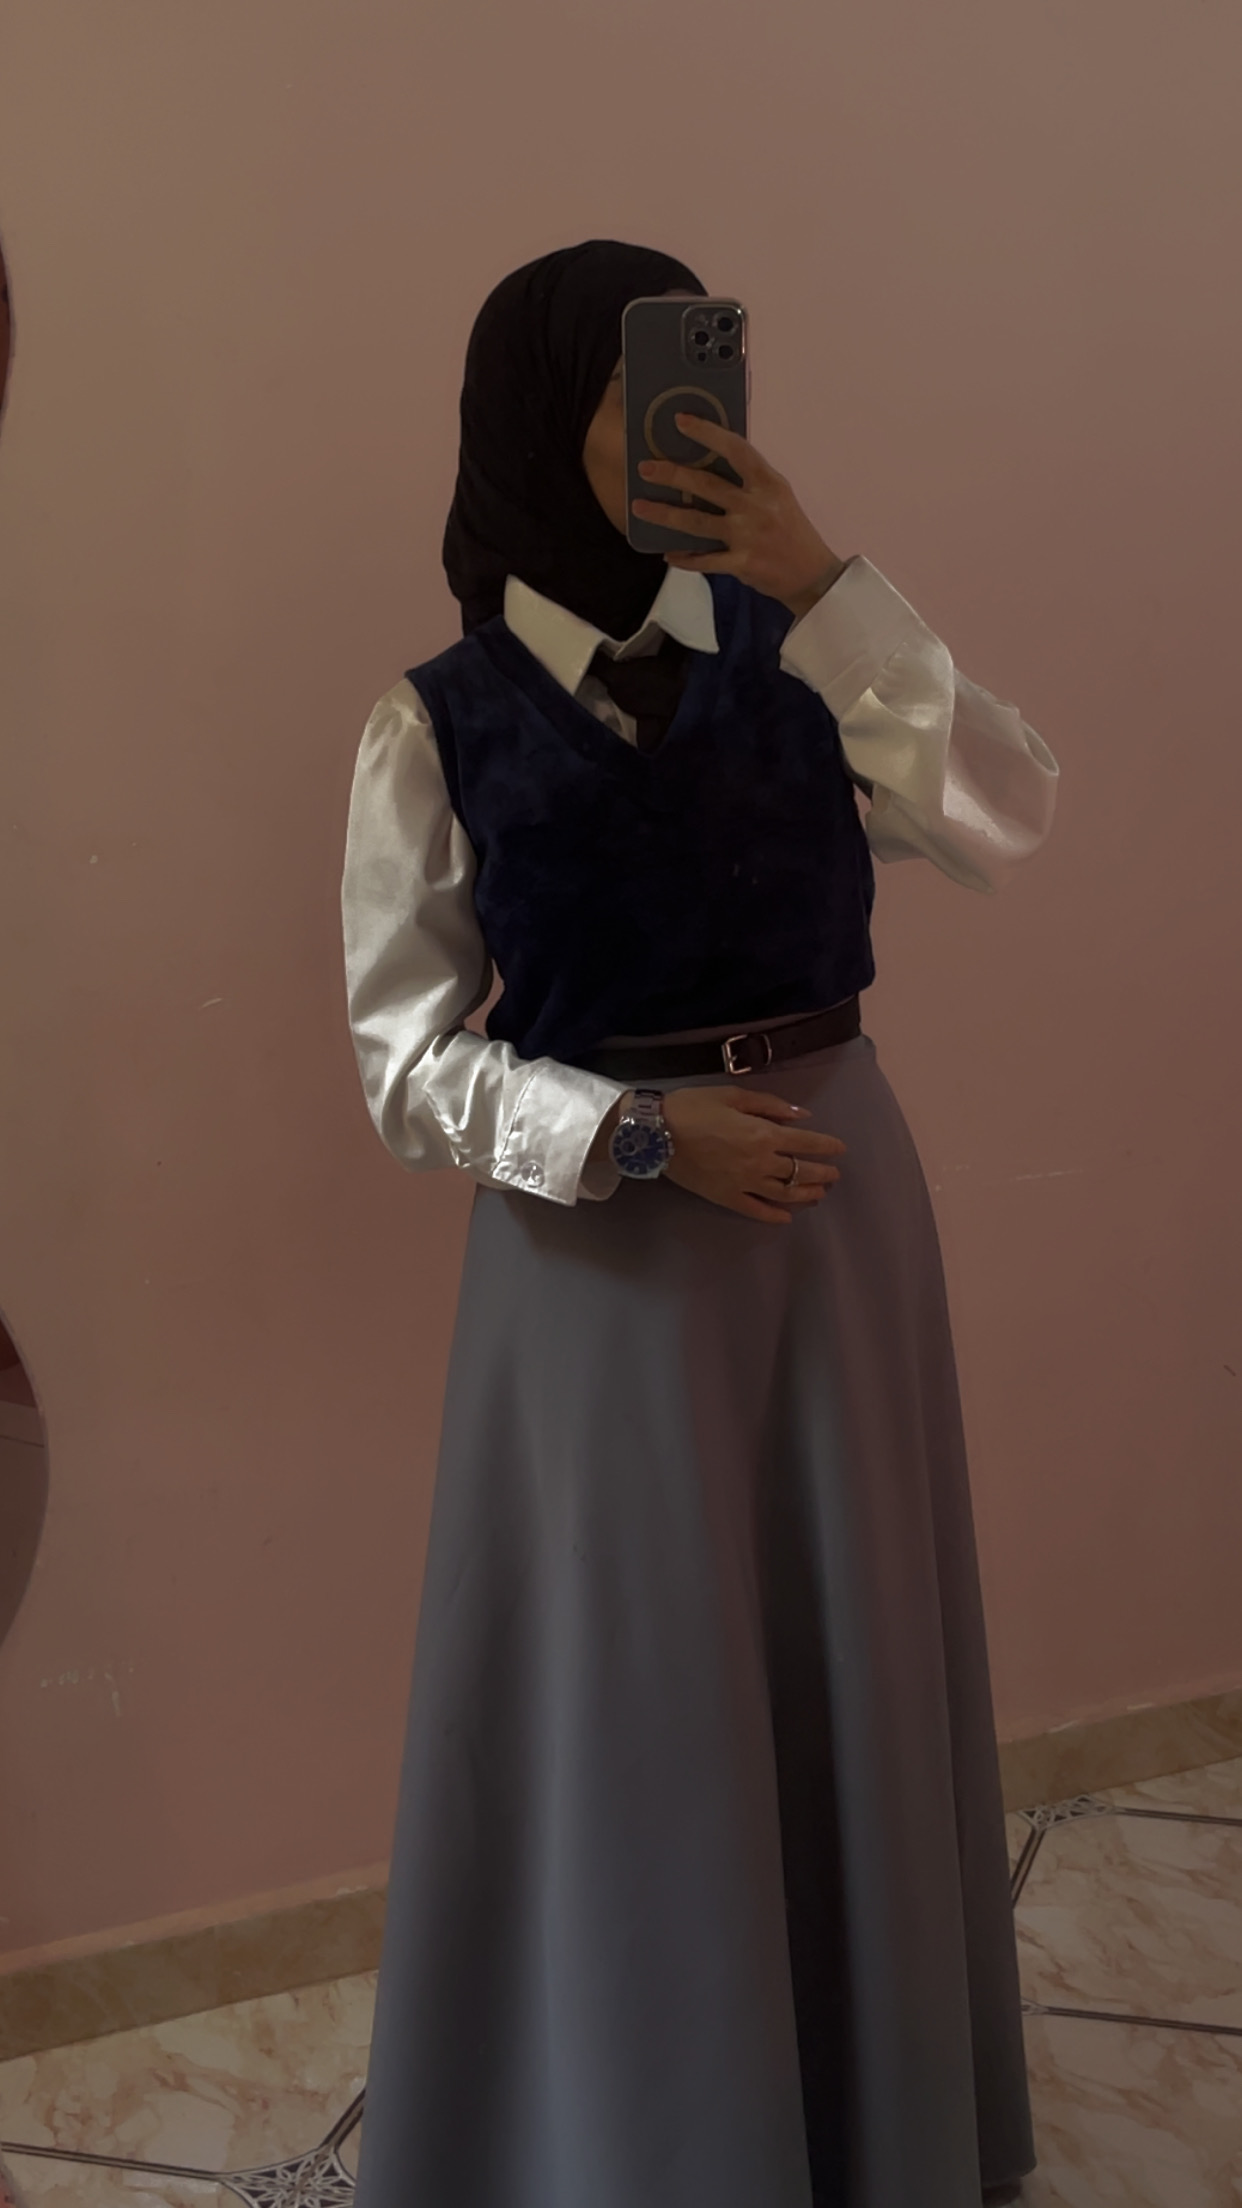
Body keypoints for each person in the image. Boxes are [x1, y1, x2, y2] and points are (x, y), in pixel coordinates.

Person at [341, 238, 1058, 2208]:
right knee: (635, 1696)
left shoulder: (808, 652)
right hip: (596, 1252)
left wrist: (826, 580)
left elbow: (1004, 812)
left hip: (835, 1220)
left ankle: (869, 2134)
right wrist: (646, 1136)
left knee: (848, 1656)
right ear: (531, 416)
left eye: (707, 367)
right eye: (631, 380)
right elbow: (405, 1069)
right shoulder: (434, 724)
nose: (684, 420)